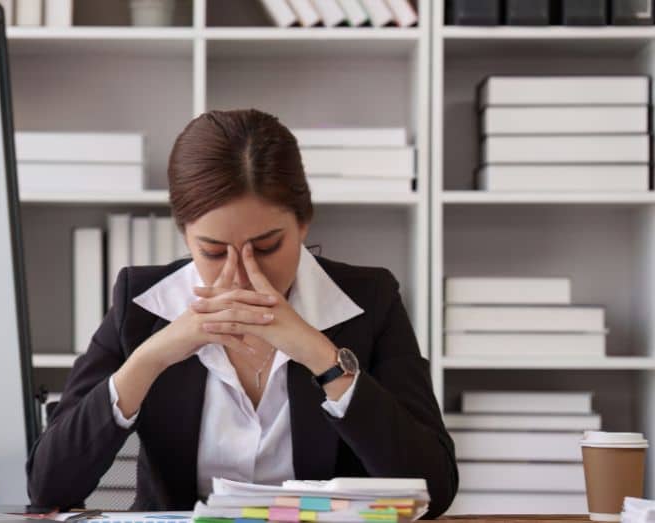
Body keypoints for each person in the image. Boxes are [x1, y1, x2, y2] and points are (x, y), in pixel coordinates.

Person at [26, 109, 458, 518]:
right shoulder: (140, 305)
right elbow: (48, 488)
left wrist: (321, 357)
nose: (242, 273)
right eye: (213, 252)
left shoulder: (371, 300)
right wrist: (151, 358)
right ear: (184, 233)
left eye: (267, 247)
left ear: (304, 223)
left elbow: (434, 490)